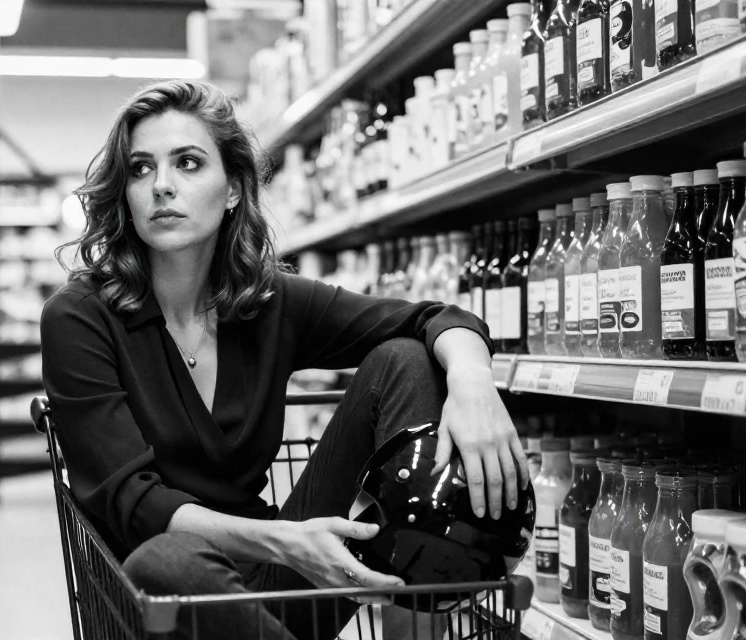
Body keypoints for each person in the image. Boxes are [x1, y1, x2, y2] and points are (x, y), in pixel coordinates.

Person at [40, 80, 529, 640]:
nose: (163, 186)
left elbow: (429, 316)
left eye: (189, 163)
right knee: (166, 562)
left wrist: (473, 384)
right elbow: (135, 502)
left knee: (406, 359)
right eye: (141, 169)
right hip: (154, 604)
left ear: (232, 190)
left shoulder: (264, 303)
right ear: (123, 192)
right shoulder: (78, 318)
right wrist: (286, 541)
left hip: (274, 582)